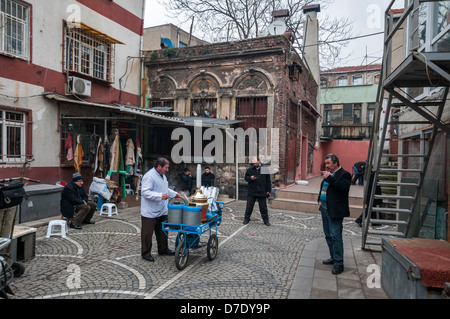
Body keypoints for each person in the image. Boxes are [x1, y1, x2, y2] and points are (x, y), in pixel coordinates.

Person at [140, 157, 181, 262]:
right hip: (150, 211)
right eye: (166, 168)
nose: (167, 170)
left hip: (162, 209)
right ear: (159, 167)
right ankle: (146, 253)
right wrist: (159, 196)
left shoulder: (162, 176)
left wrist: (174, 194)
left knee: (163, 231)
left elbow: (164, 189)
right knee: (147, 234)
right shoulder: (149, 176)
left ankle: (163, 249)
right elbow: (145, 192)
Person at [318, 154, 351, 275]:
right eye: (325, 163)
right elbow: (324, 188)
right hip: (324, 209)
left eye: (328, 163)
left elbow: (344, 188)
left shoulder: (345, 174)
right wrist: (319, 200)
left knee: (336, 236)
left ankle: (339, 263)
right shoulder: (329, 174)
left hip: (335, 211)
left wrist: (329, 178)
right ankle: (333, 257)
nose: (326, 166)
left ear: (336, 163)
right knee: (328, 235)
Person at [243, 157, 271, 226]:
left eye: (256, 163)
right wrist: (250, 178)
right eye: (253, 163)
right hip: (252, 191)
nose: (254, 164)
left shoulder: (265, 169)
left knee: (263, 207)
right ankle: (246, 218)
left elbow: (268, 180)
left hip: (262, 191)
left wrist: (268, 190)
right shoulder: (250, 169)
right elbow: (246, 178)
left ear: (259, 161)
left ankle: (265, 220)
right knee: (249, 206)